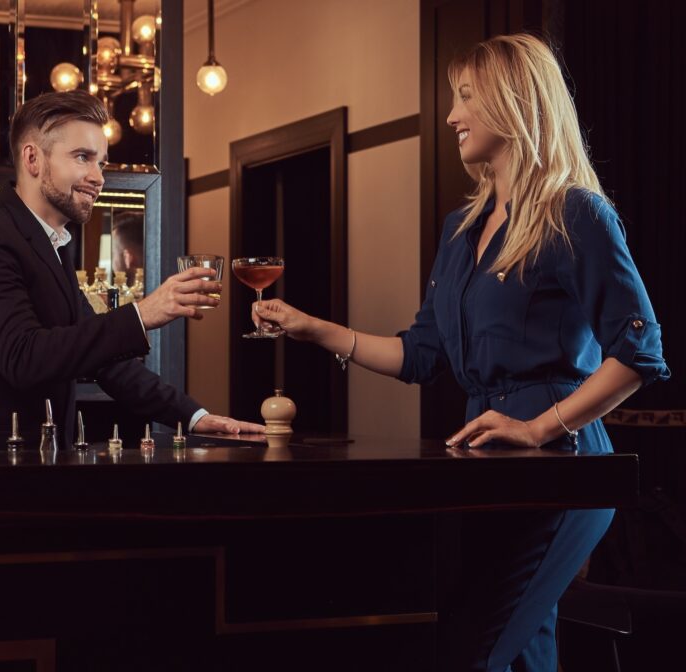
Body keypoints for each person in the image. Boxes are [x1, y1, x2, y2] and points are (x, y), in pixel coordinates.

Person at [251, 33, 670, 671]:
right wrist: (314, 329)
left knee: (472, 651)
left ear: (514, 102)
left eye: (467, 97)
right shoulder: (460, 228)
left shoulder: (575, 212)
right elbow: (422, 355)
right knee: (525, 653)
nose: (452, 116)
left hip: (562, 465)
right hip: (484, 461)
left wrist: (536, 429)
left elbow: (639, 351)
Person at [0, 90, 262, 451]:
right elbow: (23, 357)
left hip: (26, 464)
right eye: (83, 157)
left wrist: (194, 417)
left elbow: (107, 363)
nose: (98, 178)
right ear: (32, 158)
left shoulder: (51, 244)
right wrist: (142, 313)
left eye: (102, 163)